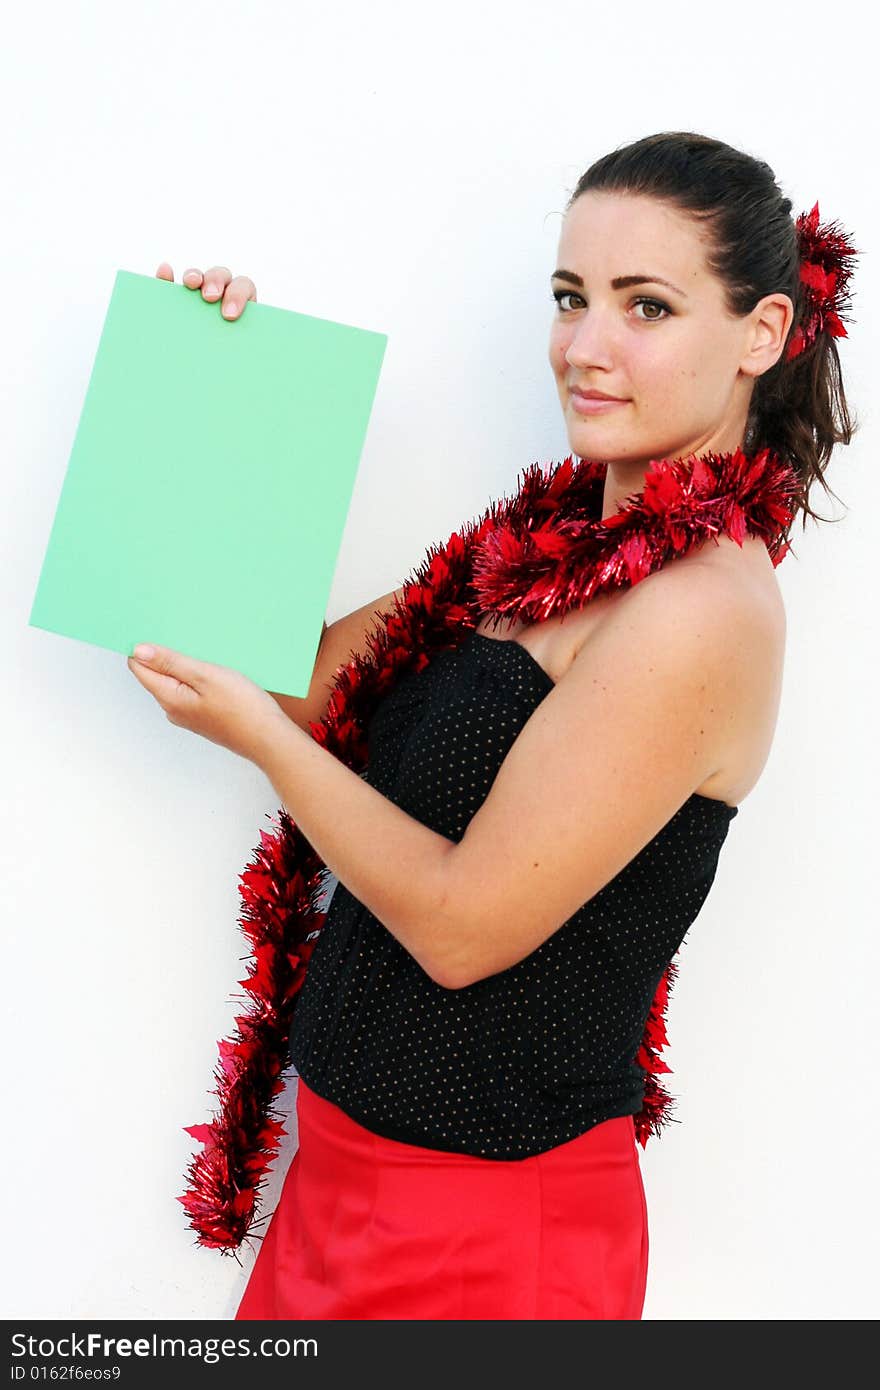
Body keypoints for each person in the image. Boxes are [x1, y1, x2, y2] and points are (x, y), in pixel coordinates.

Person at [150, 130, 857, 1319]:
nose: (585, 347)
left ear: (762, 335)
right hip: (341, 1182)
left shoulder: (703, 614)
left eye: (646, 307)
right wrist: (217, 394)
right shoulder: (546, 549)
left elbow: (461, 927)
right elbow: (304, 685)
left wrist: (262, 749)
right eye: (571, 297)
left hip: (483, 1237)